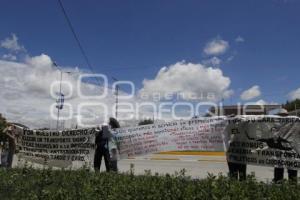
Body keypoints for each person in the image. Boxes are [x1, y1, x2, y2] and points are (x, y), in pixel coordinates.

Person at [273, 108, 298, 183]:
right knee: (280, 165)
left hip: (290, 148)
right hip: (282, 148)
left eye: (284, 115)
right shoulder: (276, 125)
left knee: (291, 166)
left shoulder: (294, 123)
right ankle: (280, 182)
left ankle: (291, 183)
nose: (283, 117)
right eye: (282, 115)